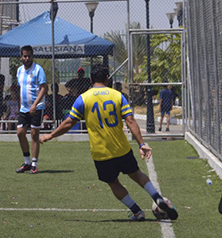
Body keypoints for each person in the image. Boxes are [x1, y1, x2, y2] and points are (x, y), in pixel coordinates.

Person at [41, 64, 178, 221]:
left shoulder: (83, 98)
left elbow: (69, 123)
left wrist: (50, 135)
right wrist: (141, 144)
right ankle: (157, 197)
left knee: (113, 183)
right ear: (107, 79)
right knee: (136, 174)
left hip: (101, 154)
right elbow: (130, 120)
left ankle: (137, 211)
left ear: (91, 80)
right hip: (121, 149)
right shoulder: (118, 96)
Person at [15, 45, 48, 174]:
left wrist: (34, 104)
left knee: (34, 134)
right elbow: (20, 88)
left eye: (29, 56)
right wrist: (20, 105)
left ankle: (34, 164)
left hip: (37, 107)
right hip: (24, 109)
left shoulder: (38, 70)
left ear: (32, 56)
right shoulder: (19, 71)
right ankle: (27, 162)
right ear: (21, 57)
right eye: (25, 56)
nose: (27, 58)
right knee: (20, 133)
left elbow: (44, 88)